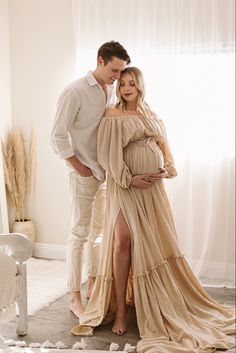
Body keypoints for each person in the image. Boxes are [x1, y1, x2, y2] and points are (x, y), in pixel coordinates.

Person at [71, 67, 235, 352]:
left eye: (132, 83)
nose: (126, 87)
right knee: (122, 243)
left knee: (154, 246)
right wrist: (129, 179)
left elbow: (164, 148)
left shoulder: (152, 115)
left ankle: (156, 302)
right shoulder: (112, 116)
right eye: (122, 83)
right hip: (125, 188)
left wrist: (163, 170)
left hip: (152, 191)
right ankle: (120, 310)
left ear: (141, 86)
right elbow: (109, 156)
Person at [50, 41, 131, 318]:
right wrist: (77, 165)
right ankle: (74, 296)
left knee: (98, 234)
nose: (118, 76)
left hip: (105, 172)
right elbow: (57, 135)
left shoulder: (112, 90)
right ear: (99, 61)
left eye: (121, 71)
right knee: (78, 234)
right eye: (114, 70)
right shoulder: (74, 92)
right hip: (83, 173)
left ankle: (93, 284)